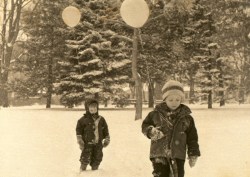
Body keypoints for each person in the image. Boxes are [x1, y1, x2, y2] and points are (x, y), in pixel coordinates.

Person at [142, 80, 200, 177]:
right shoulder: (155, 114)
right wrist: (151, 131)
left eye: (177, 100)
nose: (174, 103)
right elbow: (145, 125)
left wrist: (193, 152)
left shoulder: (186, 118)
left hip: (178, 155)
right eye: (171, 100)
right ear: (165, 99)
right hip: (159, 155)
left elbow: (192, 137)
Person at [76, 98, 110, 171]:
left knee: (98, 157)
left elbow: (106, 130)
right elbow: (78, 131)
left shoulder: (101, 119)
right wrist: (80, 140)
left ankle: (95, 171)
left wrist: (107, 139)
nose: (93, 108)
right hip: (87, 143)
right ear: (87, 108)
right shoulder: (82, 120)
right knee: (85, 157)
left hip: (98, 143)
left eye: (95, 107)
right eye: (91, 107)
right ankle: (82, 170)